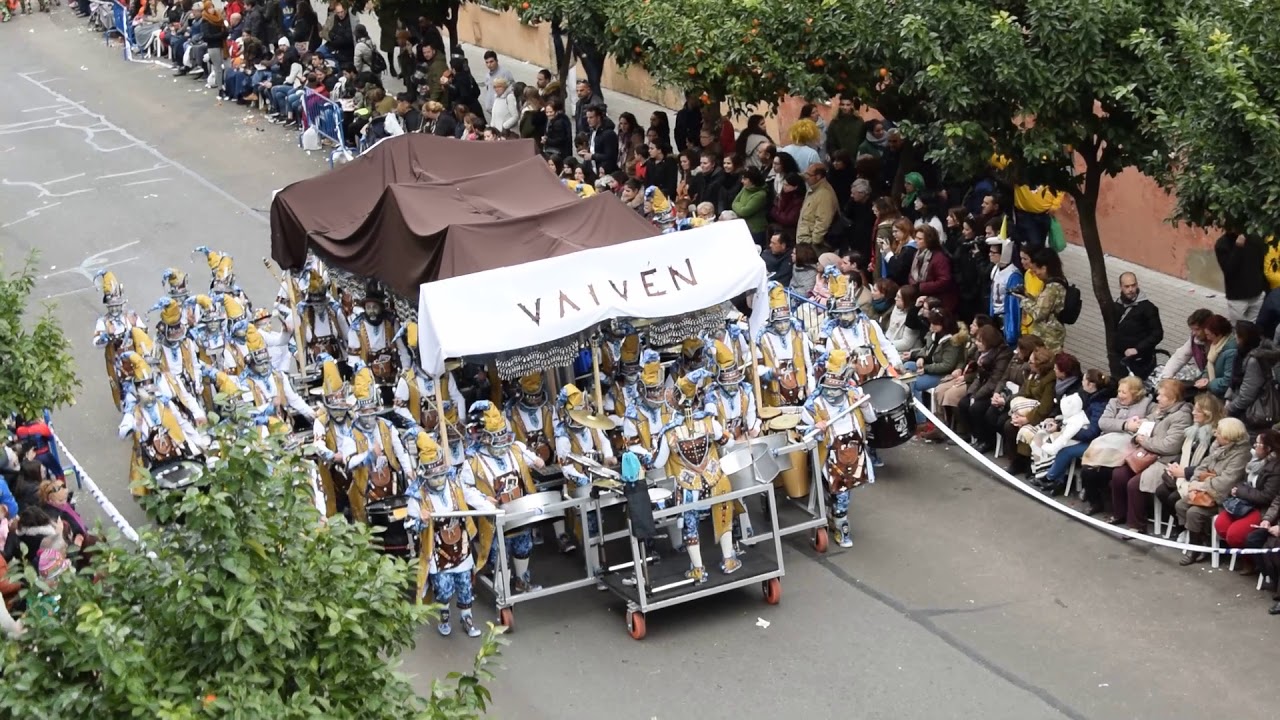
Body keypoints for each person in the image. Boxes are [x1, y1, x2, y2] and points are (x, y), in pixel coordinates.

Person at [651, 373, 742, 581]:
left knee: (690, 523)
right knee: (724, 516)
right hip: (716, 480)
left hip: (688, 487)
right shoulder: (710, 422)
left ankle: (698, 569)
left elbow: (657, 463)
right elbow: (729, 443)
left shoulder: (669, 432)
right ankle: (728, 559)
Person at [408, 431, 494, 638]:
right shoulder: (416, 495)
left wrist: (487, 503)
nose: (438, 480)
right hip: (437, 550)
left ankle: (467, 617)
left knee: (465, 584)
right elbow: (410, 524)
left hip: (461, 545)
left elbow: (471, 495)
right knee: (444, 589)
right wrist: (421, 518)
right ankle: (444, 615)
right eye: (433, 476)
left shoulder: (455, 483)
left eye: (440, 475)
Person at [467, 401, 545, 593]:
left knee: (523, 546)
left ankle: (521, 580)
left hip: (520, 509)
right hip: (495, 516)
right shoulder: (473, 461)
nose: (502, 442)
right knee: (498, 553)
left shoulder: (516, 448)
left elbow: (534, 460)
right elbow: (466, 489)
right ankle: (502, 592)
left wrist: (537, 460)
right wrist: (484, 501)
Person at [802, 349, 874, 548]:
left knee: (847, 492)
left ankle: (835, 516)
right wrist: (816, 428)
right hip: (831, 454)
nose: (832, 394)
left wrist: (865, 406)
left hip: (855, 450)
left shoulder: (853, 395)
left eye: (836, 390)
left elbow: (871, 419)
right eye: (829, 389)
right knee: (839, 493)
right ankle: (840, 526)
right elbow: (804, 433)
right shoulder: (813, 404)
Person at [1105, 379, 1193, 531]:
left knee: (1135, 484)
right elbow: (1146, 424)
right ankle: (1120, 514)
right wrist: (1138, 426)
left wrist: (1144, 440)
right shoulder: (1160, 410)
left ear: (1172, 398)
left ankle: (1137, 525)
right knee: (1119, 475)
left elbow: (1169, 446)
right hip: (1147, 455)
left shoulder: (1182, 417)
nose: (1157, 398)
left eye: (1161, 396)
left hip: (1164, 461)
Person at [1172, 417, 1252, 565]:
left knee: (1194, 513)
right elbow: (1202, 466)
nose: (1215, 434)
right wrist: (1194, 483)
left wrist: (1201, 486)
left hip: (1224, 497)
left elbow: (1226, 481)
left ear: (1228, 437)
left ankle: (1195, 549)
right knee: (1180, 505)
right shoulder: (1217, 447)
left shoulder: (1241, 455)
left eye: (1219, 432)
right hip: (1205, 490)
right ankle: (1204, 540)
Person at [1077, 376, 1154, 515]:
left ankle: (1109, 503)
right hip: (1107, 440)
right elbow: (1103, 422)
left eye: (1124, 392)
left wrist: (1141, 423)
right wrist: (1126, 425)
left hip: (1129, 444)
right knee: (1087, 470)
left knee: (1108, 471)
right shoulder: (1113, 403)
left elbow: (1151, 422)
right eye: (1119, 391)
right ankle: (1094, 502)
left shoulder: (1148, 405)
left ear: (1135, 393)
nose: (1120, 395)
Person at [1147, 393, 1225, 525]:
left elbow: (1210, 466)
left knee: (1174, 499)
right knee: (1161, 491)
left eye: (1198, 410)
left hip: (1200, 479)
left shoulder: (1215, 437)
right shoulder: (1193, 432)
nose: (1193, 412)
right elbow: (1184, 454)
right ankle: (1182, 526)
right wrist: (1173, 466)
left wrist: (1185, 472)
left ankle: (1188, 529)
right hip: (1184, 475)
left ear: (1208, 413)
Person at [1032, 369, 1114, 492]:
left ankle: (1050, 478)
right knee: (1054, 441)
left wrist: (1068, 432)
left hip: (1094, 442)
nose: (1082, 382)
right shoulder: (1089, 397)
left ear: (1090, 385)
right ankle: (1055, 478)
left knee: (1065, 451)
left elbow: (1092, 433)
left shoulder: (1098, 404)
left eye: (1084, 380)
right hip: (1082, 434)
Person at [1212, 430, 1280, 576]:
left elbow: (1266, 497)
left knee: (1235, 535)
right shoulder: (1254, 461)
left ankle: (1250, 561)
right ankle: (1246, 557)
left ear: (1269, 448)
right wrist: (1240, 489)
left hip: (1260, 508)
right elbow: (1245, 482)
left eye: (1259, 444)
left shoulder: (1275, 468)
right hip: (1245, 503)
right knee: (1221, 525)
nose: (1255, 446)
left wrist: (1241, 491)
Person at [755, 283, 817, 408]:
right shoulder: (763, 339)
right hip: (775, 393)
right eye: (778, 323)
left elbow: (809, 366)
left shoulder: (799, 336)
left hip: (799, 391)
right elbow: (757, 369)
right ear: (772, 322)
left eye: (785, 322)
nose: (783, 326)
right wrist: (770, 372)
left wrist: (811, 388)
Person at [93, 271, 147, 411]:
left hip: (135, 357)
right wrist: (106, 336)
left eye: (118, 305)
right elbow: (96, 342)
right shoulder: (103, 321)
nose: (115, 309)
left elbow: (143, 331)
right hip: (117, 362)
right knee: (125, 393)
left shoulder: (131, 316)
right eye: (112, 306)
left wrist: (136, 328)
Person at [906, 310, 966, 426]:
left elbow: (947, 365)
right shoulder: (933, 335)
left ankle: (920, 419)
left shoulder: (953, 342)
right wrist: (921, 357)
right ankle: (909, 410)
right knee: (907, 367)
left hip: (942, 374)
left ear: (943, 325)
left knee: (914, 382)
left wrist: (926, 369)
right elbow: (926, 349)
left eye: (934, 324)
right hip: (929, 366)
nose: (931, 326)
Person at [346, 283, 400, 396]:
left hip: (391, 370)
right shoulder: (356, 327)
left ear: (381, 308)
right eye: (368, 308)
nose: (372, 311)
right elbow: (353, 357)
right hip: (368, 370)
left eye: (375, 307)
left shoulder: (391, 321)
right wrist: (362, 374)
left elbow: (400, 347)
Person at [1225, 320, 1280, 426]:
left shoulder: (1254, 361)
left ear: (1243, 338)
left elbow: (1247, 395)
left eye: (1236, 334)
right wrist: (1228, 397)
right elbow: (1234, 379)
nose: (1234, 337)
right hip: (1240, 403)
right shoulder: (1242, 352)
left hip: (1252, 411)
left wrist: (1230, 408)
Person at [1111, 272, 1164, 380]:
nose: (1130, 289)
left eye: (1133, 285)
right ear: (1121, 287)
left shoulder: (1148, 308)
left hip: (1141, 361)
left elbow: (1157, 333)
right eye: (1127, 286)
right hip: (1120, 359)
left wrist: (1137, 349)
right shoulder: (1117, 305)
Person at [1018, 247, 1067, 352]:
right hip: (1049, 335)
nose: (1035, 274)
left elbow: (1038, 314)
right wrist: (1028, 296)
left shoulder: (1052, 288)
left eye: (1036, 270)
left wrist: (1024, 300)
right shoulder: (1058, 282)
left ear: (1044, 268)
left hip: (1048, 339)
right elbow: (1044, 304)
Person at [1214, 232, 1268, 322]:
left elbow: (1261, 264)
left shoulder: (1255, 238)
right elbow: (1229, 270)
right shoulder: (1222, 244)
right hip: (1237, 298)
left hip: (1257, 294)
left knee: (1254, 327)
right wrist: (1238, 248)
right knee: (1239, 329)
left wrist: (1261, 287)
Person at [1160, 309, 1213, 385]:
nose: (1194, 333)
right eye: (1192, 329)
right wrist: (1165, 378)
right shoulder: (1195, 340)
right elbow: (1180, 357)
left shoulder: (1218, 344)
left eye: (1197, 329)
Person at [796, 163, 838, 248]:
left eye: (809, 175)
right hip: (804, 241)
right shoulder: (813, 189)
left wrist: (814, 242)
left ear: (818, 176)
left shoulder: (825, 194)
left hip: (810, 245)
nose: (806, 177)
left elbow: (823, 222)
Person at [1197, 314, 1237, 400]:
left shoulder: (1231, 352)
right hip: (1214, 390)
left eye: (1208, 334)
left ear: (1218, 334)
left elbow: (1227, 381)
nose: (1207, 338)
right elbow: (1209, 365)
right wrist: (1205, 378)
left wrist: (1210, 384)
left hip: (1223, 396)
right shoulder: (1216, 345)